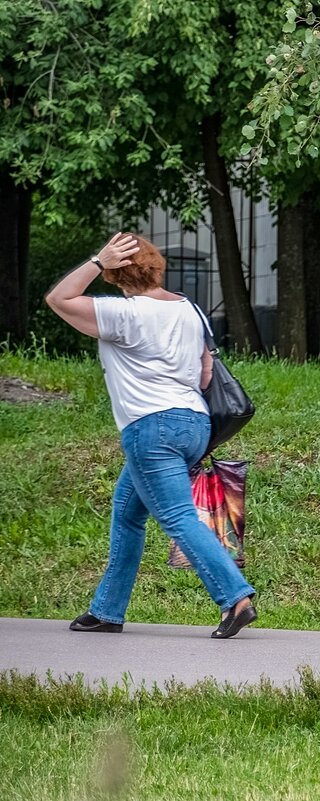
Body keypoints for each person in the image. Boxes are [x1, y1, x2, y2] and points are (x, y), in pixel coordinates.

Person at [45, 232, 258, 639]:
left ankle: (236, 598)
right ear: (157, 267)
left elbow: (58, 299)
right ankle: (107, 610)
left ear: (115, 274)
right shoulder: (189, 309)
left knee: (178, 516)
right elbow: (206, 373)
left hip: (150, 428)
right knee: (127, 513)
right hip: (194, 425)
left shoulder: (124, 313)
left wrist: (96, 259)